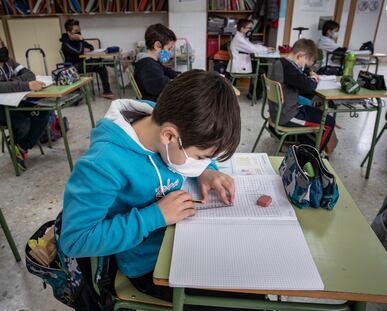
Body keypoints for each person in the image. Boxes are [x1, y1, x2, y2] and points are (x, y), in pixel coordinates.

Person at [56, 70, 263, 309]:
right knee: (250, 300)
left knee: (255, 277)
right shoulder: (102, 165)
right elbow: (75, 240)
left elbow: (188, 150)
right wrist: (156, 216)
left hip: (183, 238)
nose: (202, 161)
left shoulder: (165, 119)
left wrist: (206, 171)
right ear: (169, 136)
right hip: (149, 266)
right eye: (200, 157)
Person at [268, 39, 337, 155]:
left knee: (314, 109)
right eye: (304, 64)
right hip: (287, 116)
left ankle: (305, 146)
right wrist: (314, 79)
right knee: (329, 122)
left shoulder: (279, 63)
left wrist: (305, 74)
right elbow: (309, 86)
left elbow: (298, 80)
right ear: (300, 56)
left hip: (278, 112)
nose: (304, 67)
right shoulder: (288, 68)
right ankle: (312, 155)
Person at [0, 38, 49, 170]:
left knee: (44, 112)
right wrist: (25, 85)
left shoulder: (8, 62)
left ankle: (21, 147)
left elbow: (30, 74)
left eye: (2, 45)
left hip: (14, 102)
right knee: (23, 123)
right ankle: (17, 146)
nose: (1, 49)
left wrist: (11, 82)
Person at [60, 18, 114, 99]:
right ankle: (109, 62)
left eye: (79, 31)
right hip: (73, 68)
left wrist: (84, 47)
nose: (79, 33)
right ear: (68, 32)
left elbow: (90, 47)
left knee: (101, 66)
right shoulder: (66, 43)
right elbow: (79, 52)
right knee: (100, 63)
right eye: (76, 31)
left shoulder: (77, 40)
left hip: (82, 64)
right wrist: (81, 41)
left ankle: (107, 91)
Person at [226, 19, 274, 101]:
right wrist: (266, 49)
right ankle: (254, 95)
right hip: (240, 65)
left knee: (260, 67)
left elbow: (251, 46)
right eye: (249, 28)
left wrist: (265, 48)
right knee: (261, 71)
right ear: (242, 29)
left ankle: (253, 93)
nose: (250, 30)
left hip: (241, 62)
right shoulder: (239, 39)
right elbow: (252, 49)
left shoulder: (241, 37)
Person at [134, 23, 180, 102]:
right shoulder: (148, 66)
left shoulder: (151, 61)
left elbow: (166, 70)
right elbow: (161, 85)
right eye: (169, 49)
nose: (170, 52)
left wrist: (179, 75)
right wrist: (178, 83)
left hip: (155, 99)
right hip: (152, 104)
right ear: (158, 46)